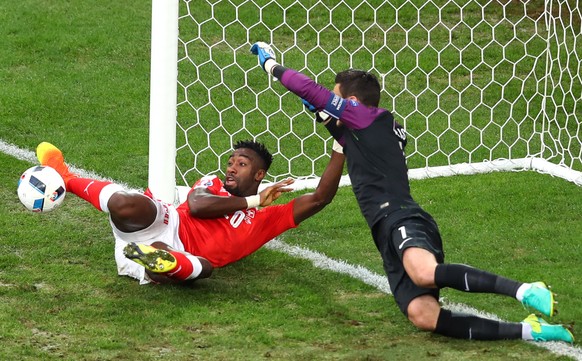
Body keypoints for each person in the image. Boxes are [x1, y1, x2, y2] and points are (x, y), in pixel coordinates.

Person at [250, 41, 574, 343]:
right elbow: (329, 118)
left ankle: (526, 291)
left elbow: (312, 92)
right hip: (384, 226)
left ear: (350, 103)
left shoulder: (366, 118)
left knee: (423, 274)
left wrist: (272, 66)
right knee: (424, 315)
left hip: (401, 215)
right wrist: (319, 112)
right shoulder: (371, 127)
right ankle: (531, 331)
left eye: (337, 99)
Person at [36, 139, 345, 285]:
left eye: (242, 164)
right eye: (231, 161)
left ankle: (147, 259)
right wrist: (254, 201)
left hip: (175, 251)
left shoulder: (268, 220)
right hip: (166, 221)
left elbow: (319, 198)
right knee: (125, 204)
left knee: (203, 268)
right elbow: (197, 206)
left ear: (260, 175)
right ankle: (63, 175)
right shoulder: (212, 183)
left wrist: (340, 148)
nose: (231, 168)